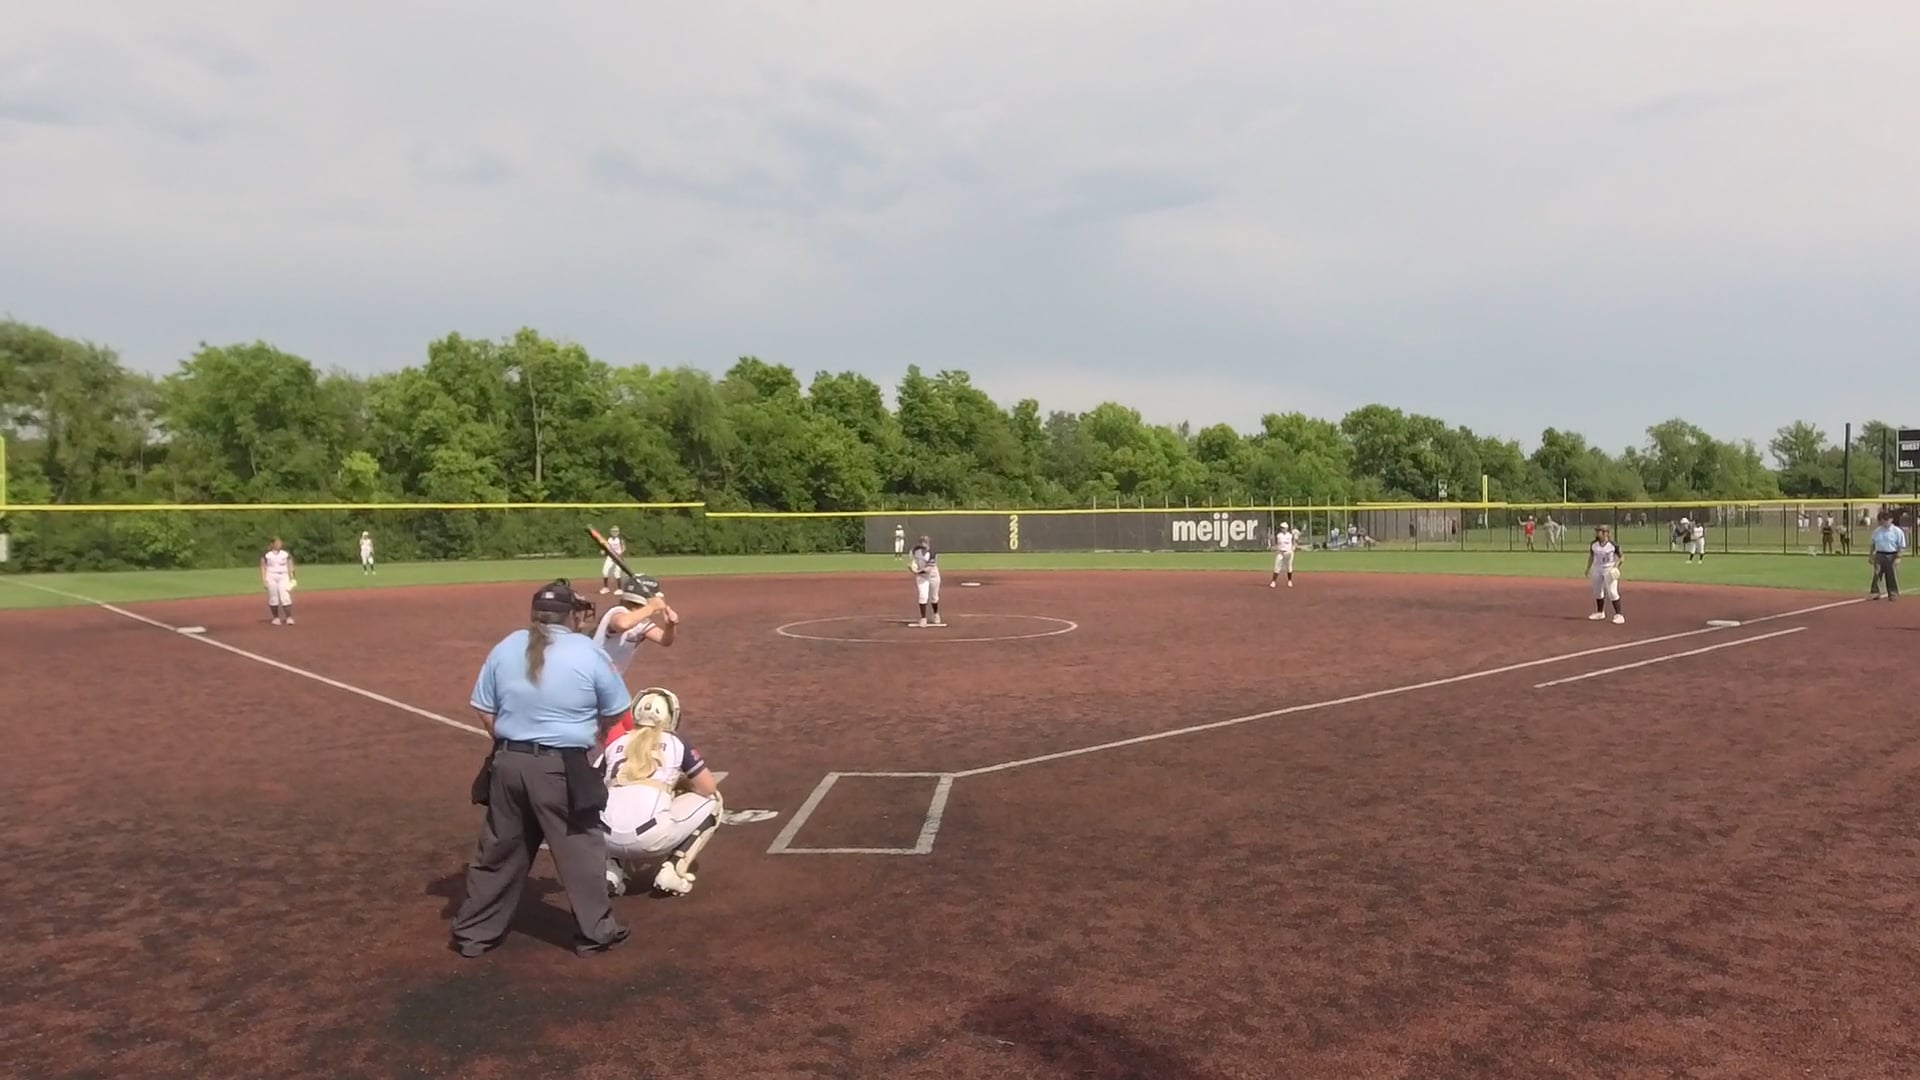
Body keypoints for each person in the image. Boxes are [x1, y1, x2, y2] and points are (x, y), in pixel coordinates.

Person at [450, 580, 632, 958]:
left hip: (507, 765)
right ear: (570, 616)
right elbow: (616, 709)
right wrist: (591, 737)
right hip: (561, 768)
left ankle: (473, 935)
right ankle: (595, 933)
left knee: (499, 852)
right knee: (581, 850)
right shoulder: (588, 651)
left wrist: (510, 744)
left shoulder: (505, 646)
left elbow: (483, 707)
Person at [599, 687, 723, 898]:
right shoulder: (675, 741)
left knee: (605, 805)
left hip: (606, 838)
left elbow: (591, 788)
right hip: (653, 837)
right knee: (714, 802)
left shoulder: (615, 744)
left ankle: (610, 870)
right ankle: (673, 869)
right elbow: (708, 787)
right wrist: (678, 785)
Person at [1585, 524, 1625, 624]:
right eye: (1597, 531)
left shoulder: (1612, 545)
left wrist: (1616, 566)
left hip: (1609, 569)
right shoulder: (1594, 544)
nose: (1597, 533)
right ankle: (1600, 612)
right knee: (1597, 591)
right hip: (1597, 568)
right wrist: (1588, 568)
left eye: (1599, 531)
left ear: (1605, 533)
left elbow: (1622, 557)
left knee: (1612, 591)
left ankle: (1619, 615)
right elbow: (1591, 556)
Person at [1869, 511, 1905, 601]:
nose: (1885, 522)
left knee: (1891, 574)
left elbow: (1901, 546)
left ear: (1891, 520)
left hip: (1892, 554)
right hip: (1879, 554)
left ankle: (1893, 593)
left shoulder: (1897, 531)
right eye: (1883, 520)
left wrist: (1898, 557)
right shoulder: (1877, 531)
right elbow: (1873, 544)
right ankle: (1875, 592)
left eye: (1886, 519)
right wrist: (1870, 555)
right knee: (1877, 573)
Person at [261, 537, 296, 626]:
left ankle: (289, 617)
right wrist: (264, 579)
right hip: (271, 576)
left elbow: (290, 564)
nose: (279, 544)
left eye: (280, 543)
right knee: (273, 597)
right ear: (272, 544)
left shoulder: (285, 553)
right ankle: (276, 618)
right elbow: (263, 566)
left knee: (285, 596)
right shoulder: (266, 554)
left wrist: (292, 577)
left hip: (283, 576)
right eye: (277, 543)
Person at [911, 534, 942, 627]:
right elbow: (913, 561)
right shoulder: (916, 551)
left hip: (933, 576)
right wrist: (913, 566)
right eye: (922, 542)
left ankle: (936, 614)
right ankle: (923, 618)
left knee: (934, 597)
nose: (924, 544)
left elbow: (928, 568)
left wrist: (917, 571)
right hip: (922, 577)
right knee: (923, 596)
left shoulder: (932, 553)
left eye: (926, 542)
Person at [1269, 520, 1297, 589]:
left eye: (1284, 528)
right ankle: (1273, 582)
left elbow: (1294, 542)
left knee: (1289, 567)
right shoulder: (1278, 535)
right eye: (1282, 528)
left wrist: (1294, 547)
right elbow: (1274, 542)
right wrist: (1274, 547)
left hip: (1288, 552)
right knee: (1277, 567)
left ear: (1287, 528)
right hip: (1280, 552)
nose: (1283, 529)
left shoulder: (1290, 535)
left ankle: (1289, 581)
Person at [599, 527, 625, 595]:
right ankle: (606, 588)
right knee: (605, 571)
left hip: (618, 557)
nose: (615, 533)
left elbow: (623, 548)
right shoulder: (609, 539)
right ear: (611, 532)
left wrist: (619, 554)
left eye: (616, 531)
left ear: (618, 532)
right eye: (613, 531)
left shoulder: (620, 539)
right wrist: (603, 551)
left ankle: (619, 589)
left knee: (617, 573)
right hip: (610, 557)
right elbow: (606, 546)